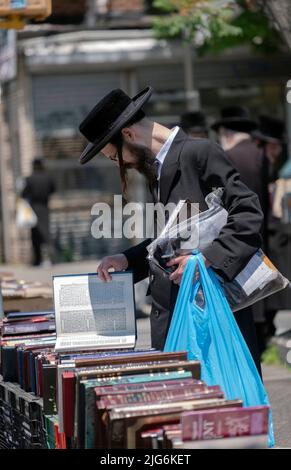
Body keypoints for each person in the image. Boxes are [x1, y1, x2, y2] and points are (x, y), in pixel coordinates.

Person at [78, 86, 264, 375]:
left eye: (115, 158)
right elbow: (172, 239)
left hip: (211, 318)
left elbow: (248, 213)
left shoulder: (200, 153)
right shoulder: (160, 168)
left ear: (128, 134)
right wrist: (127, 261)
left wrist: (207, 259)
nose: (122, 164)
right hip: (182, 318)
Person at [211, 107, 270, 355]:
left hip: (234, 240)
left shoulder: (226, 157)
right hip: (258, 233)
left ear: (226, 133)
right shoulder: (261, 155)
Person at [22, 158, 56, 266]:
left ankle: (37, 260)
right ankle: (52, 258)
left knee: (35, 234)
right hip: (45, 207)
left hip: (34, 208)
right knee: (47, 234)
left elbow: (23, 194)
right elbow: (53, 190)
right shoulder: (48, 178)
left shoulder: (29, 179)